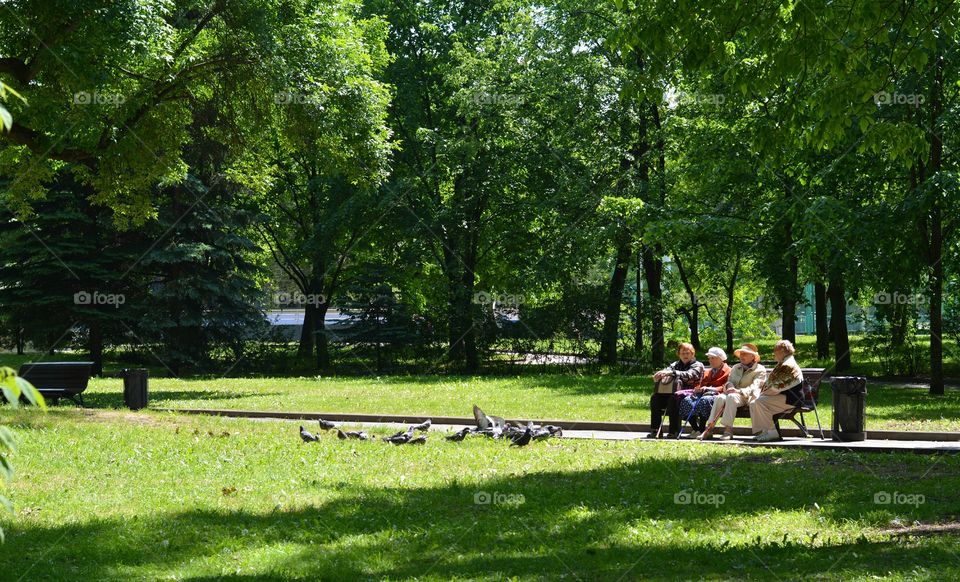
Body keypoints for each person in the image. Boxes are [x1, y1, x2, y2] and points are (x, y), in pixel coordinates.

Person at [699, 343, 766, 441]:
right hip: (733, 394)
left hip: (749, 396)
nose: (742, 356)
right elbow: (729, 381)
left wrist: (738, 391)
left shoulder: (760, 369)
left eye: (745, 354)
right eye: (741, 354)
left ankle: (728, 430)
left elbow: (755, 386)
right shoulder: (736, 367)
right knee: (720, 397)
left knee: (731, 397)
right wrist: (729, 386)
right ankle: (709, 429)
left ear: (753, 356)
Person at [749, 339, 804, 442]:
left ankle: (772, 433)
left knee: (760, 402)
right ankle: (764, 431)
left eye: (775, 352)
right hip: (784, 397)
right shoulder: (784, 362)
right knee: (755, 402)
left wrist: (762, 393)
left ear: (782, 351)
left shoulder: (787, 365)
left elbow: (776, 387)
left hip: (792, 400)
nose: (774, 355)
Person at [648, 343, 704, 438]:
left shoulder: (698, 365)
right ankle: (656, 430)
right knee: (655, 398)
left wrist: (672, 373)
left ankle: (674, 431)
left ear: (692, 354)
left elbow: (690, 375)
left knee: (674, 399)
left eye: (688, 353)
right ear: (678, 354)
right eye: (683, 353)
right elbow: (666, 371)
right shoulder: (675, 364)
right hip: (672, 391)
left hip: (691, 393)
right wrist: (659, 375)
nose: (685, 355)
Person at [677, 347, 731, 437]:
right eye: (709, 358)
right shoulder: (707, 371)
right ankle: (695, 429)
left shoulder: (728, 371)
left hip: (718, 395)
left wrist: (710, 389)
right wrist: (698, 389)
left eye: (713, 358)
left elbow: (726, 387)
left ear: (721, 359)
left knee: (705, 400)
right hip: (703, 394)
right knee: (687, 401)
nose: (710, 360)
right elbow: (701, 384)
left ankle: (702, 430)